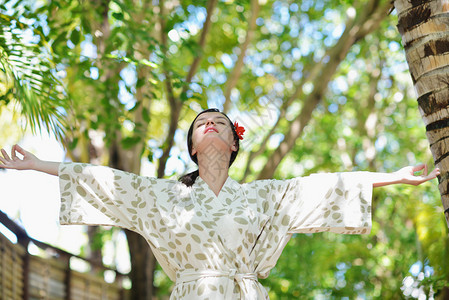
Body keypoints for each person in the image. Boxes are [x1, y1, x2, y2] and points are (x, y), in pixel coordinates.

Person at [0, 108, 440, 299]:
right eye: (201, 124)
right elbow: (107, 183)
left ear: (232, 144)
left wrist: (394, 178)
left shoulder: (263, 196)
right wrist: (38, 164)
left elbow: (325, 187)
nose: (209, 125)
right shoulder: (163, 195)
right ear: (192, 146)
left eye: (219, 123)